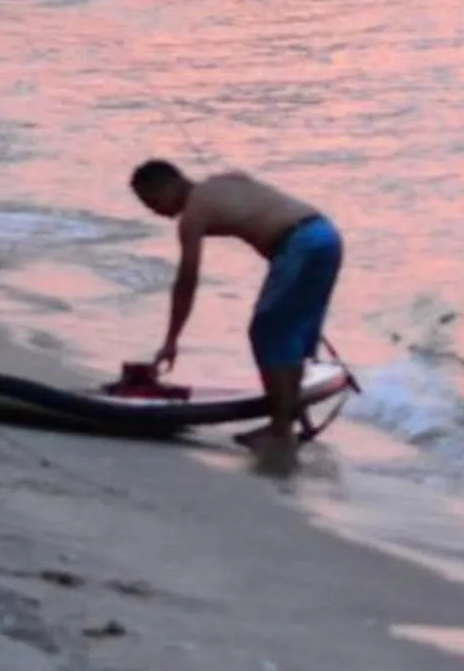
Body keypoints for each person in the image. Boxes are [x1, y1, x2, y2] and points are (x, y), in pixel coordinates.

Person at [128, 159, 344, 455]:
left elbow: (186, 281)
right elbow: (255, 207)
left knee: (267, 330)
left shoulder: (193, 215)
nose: (153, 211)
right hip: (326, 235)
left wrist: (171, 341)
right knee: (292, 330)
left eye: (150, 201)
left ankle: (281, 431)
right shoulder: (224, 182)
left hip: (298, 244)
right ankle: (290, 419)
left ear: (168, 185)